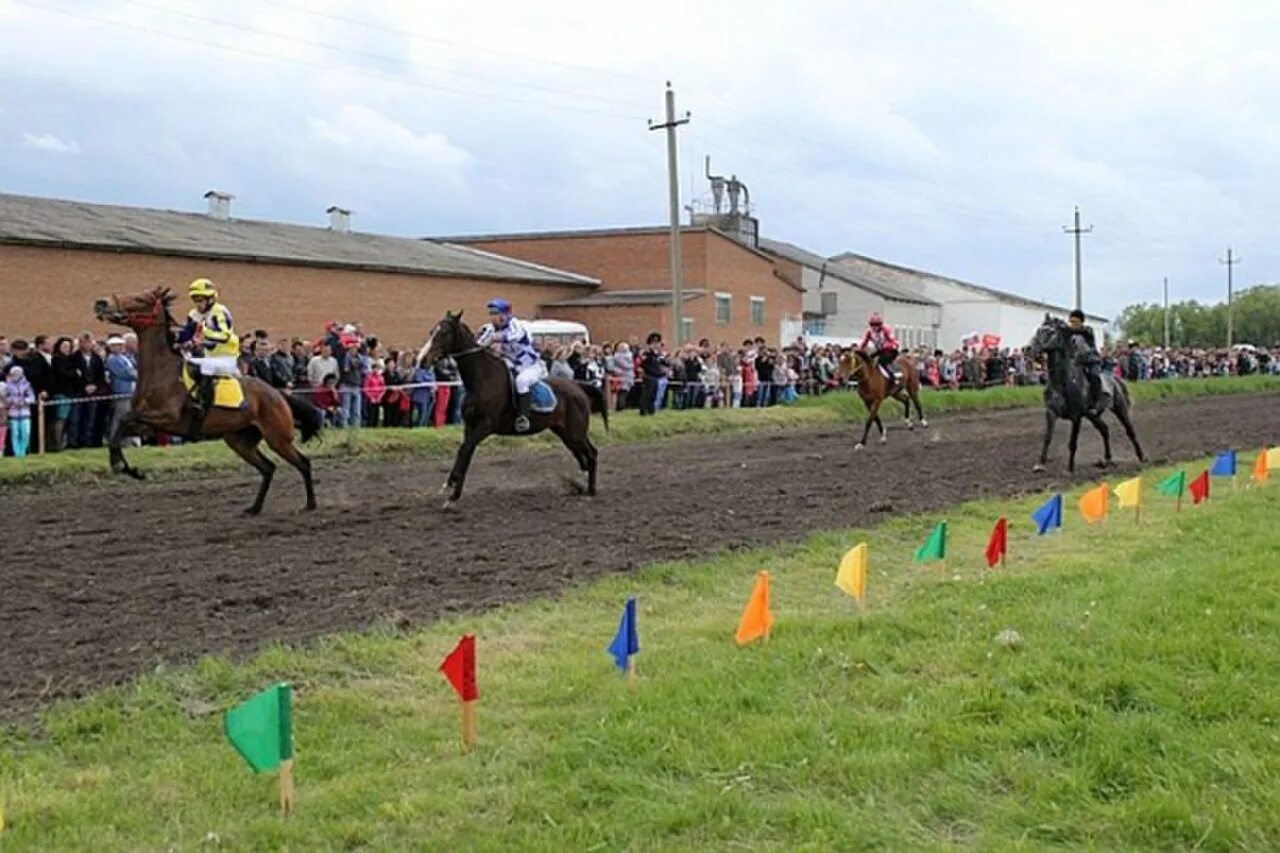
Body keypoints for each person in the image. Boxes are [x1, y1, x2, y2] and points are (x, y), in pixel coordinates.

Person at [176, 278, 240, 432]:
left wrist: (203, 334)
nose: (198, 304)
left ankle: (203, 405)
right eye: (195, 300)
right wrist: (177, 338)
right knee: (184, 365)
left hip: (227, 357)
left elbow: (224, 335)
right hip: (209, 356)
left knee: (203, 368)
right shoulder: (194, 314)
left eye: (201, 300)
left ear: (211, 299)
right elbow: (186, 334)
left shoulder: (219, 311)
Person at [474, 297, 544, 432]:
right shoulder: (491, 329)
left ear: (505, 315)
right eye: (491, 314)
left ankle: (524, 417)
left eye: (496, 314)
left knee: (521, 381)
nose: (493, 318)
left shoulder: (516, 325)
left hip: (530, 365)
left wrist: (493, 339)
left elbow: (511, 336)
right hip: (511, 363)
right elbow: (479, 346)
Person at [1065, 308, 1104, 413]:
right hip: (1078, 362)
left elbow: (1078, 331)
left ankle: (1096, 403)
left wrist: (1065, 329)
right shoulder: (1070, 335)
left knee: (1094, 376)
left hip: (1092, 361)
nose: (1072, 324)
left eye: (1075, 322)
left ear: (1082, 322)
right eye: (1071, 322)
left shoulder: (1088, 330)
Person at [859, 313, 900, 382]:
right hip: (880, 351)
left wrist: (885, 346)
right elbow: (864, 343)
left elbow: (895, 343)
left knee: (881, 361)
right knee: (868, 359)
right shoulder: (869, 332)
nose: (874, 327)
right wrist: (859, 350)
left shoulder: (886, 329)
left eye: (876, 325)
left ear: (880, 325)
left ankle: (893, 377)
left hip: (891, 351)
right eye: (872, 325)